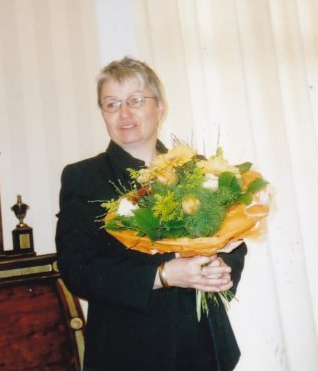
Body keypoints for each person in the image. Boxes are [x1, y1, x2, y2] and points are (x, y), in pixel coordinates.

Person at [55, 56, 246, 371]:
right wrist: (163, 276)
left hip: (204, 345)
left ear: (160, 107)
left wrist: (223, 268)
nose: (124, 113)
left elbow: (235, 240)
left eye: (135, 100)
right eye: (112, 104)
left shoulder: (196, 168)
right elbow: (77, 268)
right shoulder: (84, 177)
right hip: (128, 349)